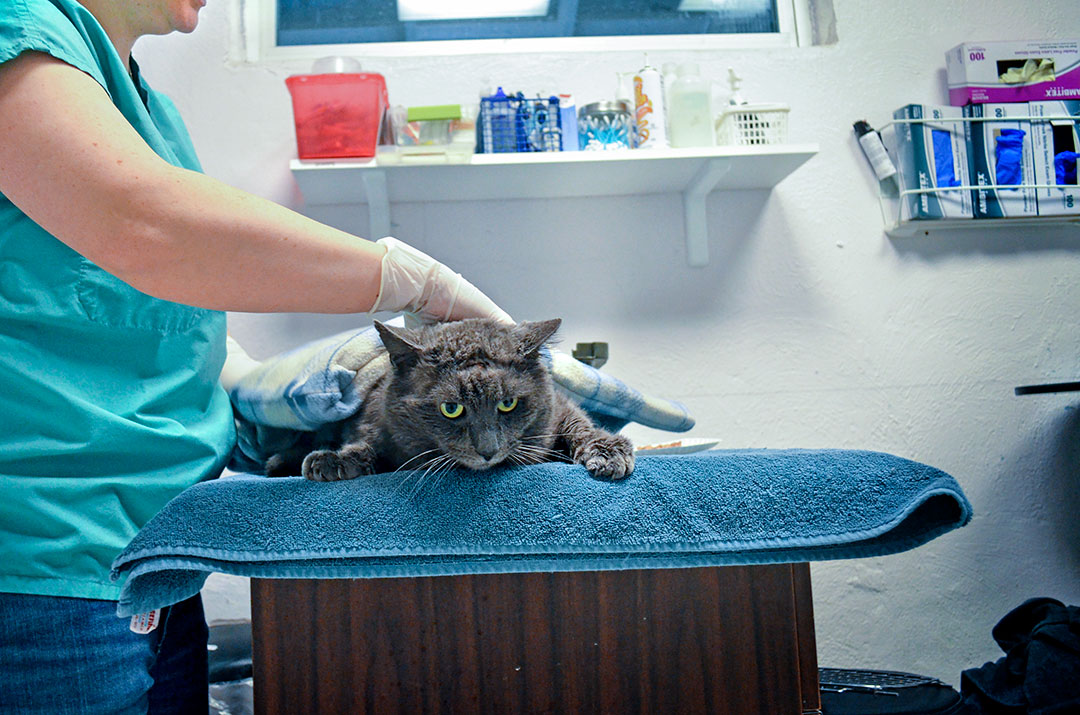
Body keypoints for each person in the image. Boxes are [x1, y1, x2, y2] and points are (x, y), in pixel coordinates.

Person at [0, 0, 512, 712]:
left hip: (161, 555)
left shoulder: (152, 114)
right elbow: (146, 225)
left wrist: (240, 380)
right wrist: (407, 278)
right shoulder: (13, 32)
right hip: (39, 568)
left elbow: (147, 301)